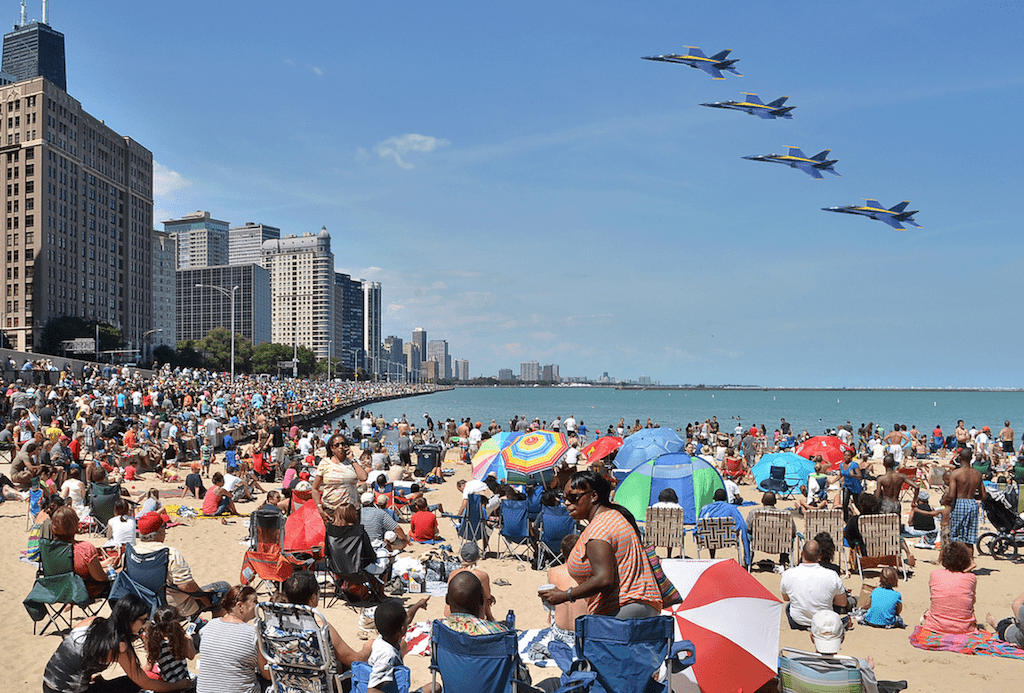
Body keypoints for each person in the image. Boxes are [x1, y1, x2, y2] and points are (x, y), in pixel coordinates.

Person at [539, 470, 661, 618]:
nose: (567, 503)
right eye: (564, 498)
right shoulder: (614, 517)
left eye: (573, 497)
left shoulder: (599, 529)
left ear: (594, 496)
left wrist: (566, 595)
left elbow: (603, 579)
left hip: (622, 611)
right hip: (641, 607)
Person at [42, 593, 193, 693]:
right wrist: (177, 686)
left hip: (48, 684)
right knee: (133, 685)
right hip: (66, 691)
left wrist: (87, 675)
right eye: (143, 620)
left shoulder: (92, 621)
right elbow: (144, 682)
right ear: (130, 620)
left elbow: (72, 658)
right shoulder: (119, 645)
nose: (145, 624)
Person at [134, 511, 231, 618]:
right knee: (224, 588)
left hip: (145, 607)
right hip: (172, 609)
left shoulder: (131, 553)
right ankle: (214, 630)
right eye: (164, 526)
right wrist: (203, 596)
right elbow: (186, 585)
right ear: (159, 531)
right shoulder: (170, 554)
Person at [280, 570, 371, 667]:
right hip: (318, 681)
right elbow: (355, 660)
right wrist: (369, 647)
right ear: (313, 598)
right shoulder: (321, 628)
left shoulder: (275, 626)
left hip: (283, 680)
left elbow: (266, 674)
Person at [786, 610, 879, 693]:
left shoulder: (792, 660)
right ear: (842, 638)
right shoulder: (859, 667)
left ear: (812, 637)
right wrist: (868, 669)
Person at [196, 585, 267, 693]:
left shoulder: (209, 627)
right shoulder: (252, 635)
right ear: (240, 606)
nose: (257, 606)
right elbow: (267, 674)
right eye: (255, 601)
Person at [366, 598, 432, 693]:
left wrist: (418, 604)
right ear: (402, 629)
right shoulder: (387, 656)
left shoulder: (385, 637)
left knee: (434, 687)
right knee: (435, 688)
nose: (408, 624)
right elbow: (372, 691)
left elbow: (407, 618)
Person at [779, 540, 849, 630]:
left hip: (798, 621)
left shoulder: (787, 574)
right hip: (824, 621)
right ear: (820, 557)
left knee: (789, 606)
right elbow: (842, 603)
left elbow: (786, 598)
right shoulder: (832, 575)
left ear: (801, 554)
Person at [50, 505, 116, 599]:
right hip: (83, 590)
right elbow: (100, 578)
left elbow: (71, 566)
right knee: (117, 578)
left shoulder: (49, 548)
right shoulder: (85, 549)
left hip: (57, 590)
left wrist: (101, 564)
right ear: (75, 525)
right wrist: (109, 571)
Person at [922, 541, 979, 635]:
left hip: (936, 626)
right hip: (963, 628)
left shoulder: (935, 574)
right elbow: (972, 601)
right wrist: (970, 565)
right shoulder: (971, 578)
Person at [947, 448, 986, 568]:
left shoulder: (956, 473)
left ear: (960, 458)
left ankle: (954, 563)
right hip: (972, 503)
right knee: (970, 536)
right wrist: (973, 497)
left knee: (955, 534)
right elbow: (984, 495)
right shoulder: (977, 474)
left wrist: (945, 500)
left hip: (960, 502)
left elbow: (952, 495)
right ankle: (970, 562)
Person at [313, 433, 368, 513]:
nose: (340, 447)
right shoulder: (325, 463)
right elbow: (315, 488)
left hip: (352, 509)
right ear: (332, 448)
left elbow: (363, 477)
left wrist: (352, 459)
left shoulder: (352, 462)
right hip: (331, 509)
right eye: (337, 445)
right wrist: (320, 509)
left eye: (343, 444)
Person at [144, 604, 196, 686]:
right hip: (184, 683)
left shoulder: (155, 642)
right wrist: (189, 640)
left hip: (167, 685)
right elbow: (191, 656)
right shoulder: (180, 640)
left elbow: (149, 665)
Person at [697, 487, 750, 566]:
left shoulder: (706, 509)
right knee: (715, 531)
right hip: (728, 539)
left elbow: (698, 525)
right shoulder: (732, 509)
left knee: (711, 531)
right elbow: (741, 525)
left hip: (709, 539)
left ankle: (712, 557)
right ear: (725, 498)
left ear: (714, 499)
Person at [446, 542, 495, 621]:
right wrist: (490, 597)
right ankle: (490, 617)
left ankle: (490, 617)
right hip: (473, 614)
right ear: (478, 557)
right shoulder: (482, 576)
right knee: (484, 597)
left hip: (451, 613)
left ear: (462, 556)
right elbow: (487, 596)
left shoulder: (453, 574)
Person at [838, 448, 863, 521]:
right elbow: (840, 475)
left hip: (855, 487)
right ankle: (845, 520)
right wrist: (832, 482)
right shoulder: (841, 465)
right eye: (845, 455)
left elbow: (860, 476)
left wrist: (853, 475)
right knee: (844, 503)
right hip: (847, 486)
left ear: (851, 457)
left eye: (848, 455)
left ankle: (863, 516)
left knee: (857, 504)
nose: (846, 457)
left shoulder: (854, 465)